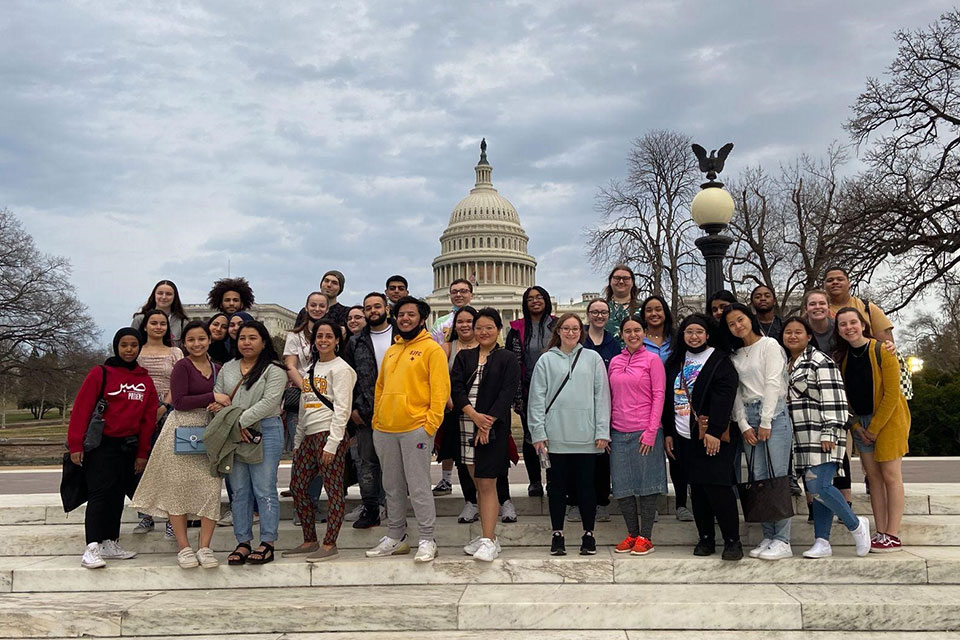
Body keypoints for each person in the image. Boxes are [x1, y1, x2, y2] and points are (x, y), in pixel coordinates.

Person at [130, 321, 225, 568]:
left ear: (209, 340)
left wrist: (218, 403)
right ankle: (184, 547)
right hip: (181, 428)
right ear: (184, 344)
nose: (197, 344)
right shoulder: (182, 366)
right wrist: (212, 397)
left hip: (208, 429)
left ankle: (205, 546)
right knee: (178, 489)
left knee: (210, 488)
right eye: (191, 340)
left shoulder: (217, 368)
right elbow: (180, 401)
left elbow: (226, 397)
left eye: (201, 339)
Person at [366, 296, 449, 563]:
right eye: (401, 314)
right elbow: (380, 387)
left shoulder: (432, 350)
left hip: (416, 428)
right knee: (391, 485)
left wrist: (430, 425)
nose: (405, 318)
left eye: (411, 314)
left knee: (419, 485)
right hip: (385, 429)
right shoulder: (392, 350)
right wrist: (377, 420)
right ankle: (396, 536)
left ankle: (427, 538)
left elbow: (440, 391)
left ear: (422, 318)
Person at [782, 316, 872, 558]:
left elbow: (836, 400)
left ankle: (856, 525)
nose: (792, 336)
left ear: (809, 336)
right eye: (788, 332)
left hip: (821, 435)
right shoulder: (787, 364)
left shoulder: (820, 361)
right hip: (799, 439)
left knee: (819, 486)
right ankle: (822, 541)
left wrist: (830, 432)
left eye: (798, 332)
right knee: (816, 489)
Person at [68, 328, 157, 569]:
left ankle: (110, 541)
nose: (129, 350)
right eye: (124, 345)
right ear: (116, 346)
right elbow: (81, 409)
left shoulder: (145, 380)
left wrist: (142, 453)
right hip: (101, 445)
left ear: (139, 348)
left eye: (134, 345)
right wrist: (75, 444)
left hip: (127, 447)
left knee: (117, 496)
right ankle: (92, 547)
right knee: (100, 495)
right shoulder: (101, 373)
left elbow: (148, 421)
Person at [528, 313, 611, 556]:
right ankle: (557, 534)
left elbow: (601, 396)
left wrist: (602, 430)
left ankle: (588, 534)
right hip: (555, 436)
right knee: (556, 488)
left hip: (587, 436)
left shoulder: (593, 358)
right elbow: (537, 400)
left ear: (581, 332)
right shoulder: (546, 360)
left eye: (575, 329)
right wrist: (538, 433)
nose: (571, 333)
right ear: (558, 331)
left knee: (587, 488)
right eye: (566, 328)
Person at [662, 315, 743, 561]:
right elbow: (668, 399)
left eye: (699, 331)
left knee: (718, 488)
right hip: (684, 436)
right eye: (689, 332)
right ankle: (705, 537)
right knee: (696, 490)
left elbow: (725, 395)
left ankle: (732, 541)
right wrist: (668, 432)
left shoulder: (719, 360)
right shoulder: (675, 361)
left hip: (711, 435)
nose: (694, 336)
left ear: (707, 334)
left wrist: (714, 432)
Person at [835, 307, 911, 552]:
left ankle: (893, 533)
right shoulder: (844, 358)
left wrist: (875, 428)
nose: (849, 327)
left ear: (863, 325)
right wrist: (857, 426)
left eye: (853, 322)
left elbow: (891, 394)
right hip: (862, 424)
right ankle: (881, 531)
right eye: (843, 324)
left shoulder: (882, 351)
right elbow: (846, 397)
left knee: (891, 476)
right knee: (874, 478)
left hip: (888, 421)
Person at [721, 303, 793, 560]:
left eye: (740, 319)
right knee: (759, 477)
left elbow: (773, 383)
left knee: (777, 475)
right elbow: (737, 394)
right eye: (731, 324)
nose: (737, 326)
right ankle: (769, 534)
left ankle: (783, 539)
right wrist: (743, 425)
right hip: (748, 416)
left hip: (772, 413)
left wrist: (766, 421)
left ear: (749, 318)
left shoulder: (770, 345)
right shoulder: (735, 355)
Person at [282, 319, 358, 562]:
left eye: (329, 336)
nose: (323, 340)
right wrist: (298, 442)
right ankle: (309, 539)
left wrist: (333, 443)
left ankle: (329, 543)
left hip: (329, 433)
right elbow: (305, 408)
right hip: (309, 436)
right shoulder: (311, 370)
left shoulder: (342, 369)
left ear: (337, 340)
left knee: (334, 490)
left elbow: (343, 409)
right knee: (298, 488)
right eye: (319, 336)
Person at [212, 321, 286, 566]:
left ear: (263, 341)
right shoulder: (228, 368)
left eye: (252, 338)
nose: (246, 342)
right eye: (242, 338)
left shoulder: (274, 370)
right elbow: (219, 396)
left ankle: (267, 542)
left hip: (265, 430)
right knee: (240, 490)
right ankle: (242, 541)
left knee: (264, 488)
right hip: (235, 433)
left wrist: (240, 421)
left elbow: (269, 402)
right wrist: (236, 425)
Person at [451, 308, 521, 561]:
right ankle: (487, 535)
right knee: (478, 483)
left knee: (488, 482)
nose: (483, 332)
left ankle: (489, 540)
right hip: (466, 423)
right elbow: (456, 389)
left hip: (492, 428)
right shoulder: (464, 357)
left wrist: (486, 422)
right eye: (479, 327)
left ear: (498, 329)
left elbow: (507, 392)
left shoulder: (507, 358)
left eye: (489, 327)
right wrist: (474, 416)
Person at [608, 317, 666, 556]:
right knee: (622, 485)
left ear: (644, 333)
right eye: (627, 331)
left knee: (647, 484)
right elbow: (608, 396)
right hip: (618, 431)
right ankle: (632, 533)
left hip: (645, 429)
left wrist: (651, 431)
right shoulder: (614, 361)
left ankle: (646, 536)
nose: (632, 334)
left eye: (637, 330)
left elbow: (659, 394)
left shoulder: (652, 360)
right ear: (621, 334)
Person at [343, 292, 394, 529]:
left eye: (377, 306)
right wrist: (353, 408)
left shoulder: (401, 337)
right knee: (367, 463)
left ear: (386, 308)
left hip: (398, 411)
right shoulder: (355, 342)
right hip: (366, 412)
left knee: (395, 464)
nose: (373, 311)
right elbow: (347, 377)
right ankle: (371, 508)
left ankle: (393, 509)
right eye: (368, 308)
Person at [131, 309, 184, 537]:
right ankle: (145, 515)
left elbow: (180, 380)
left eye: (162, 323)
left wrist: (163, 406)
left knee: (170, 466)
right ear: (145, 326)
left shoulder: (175, 352)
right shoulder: (137, 351)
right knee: (141, 465)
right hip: (139, 412)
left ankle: (173, 518)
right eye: (154, 323)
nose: (158, 327)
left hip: (168, 410)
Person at [505, 285, 557, 497]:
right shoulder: (516, 329)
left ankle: (554, 480)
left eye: (539, 297)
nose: (535, 301)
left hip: (556, 391)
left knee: (555, 437)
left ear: (546, 300)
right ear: (525, 303)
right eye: (530, 298)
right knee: (530, 436)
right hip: (528, 391)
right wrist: (515, 395)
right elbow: (511, 362)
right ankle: (535, 481)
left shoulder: (557, 325)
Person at [431, 279, 475, 495]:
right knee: (449, 440)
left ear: (471, 294)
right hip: (451, 396)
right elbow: (436, 360)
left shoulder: (483, 316)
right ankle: (446, 479)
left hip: (476, 397)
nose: (459, 295)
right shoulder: (441, 323)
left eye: (463, 291)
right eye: (455, 291)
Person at [578, 298, 619, 523]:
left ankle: (602, 500)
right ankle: (576, 500)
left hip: (605, 401)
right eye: (595, 312)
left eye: (603, 312)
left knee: (603, 454)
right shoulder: (579, 338)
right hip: (580, 404)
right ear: (588, 314)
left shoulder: (613, 342)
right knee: (580, 455)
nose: (599, 316)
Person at [284, 292, 329, 451]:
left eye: (321, 306)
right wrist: (308, 389)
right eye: (313, 305)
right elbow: (290, 366)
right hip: (301, 395)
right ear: (306, 307)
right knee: (302, 450)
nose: (317, 309)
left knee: (324, 450)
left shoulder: (332, 335)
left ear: (327, 309)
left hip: (326, 397)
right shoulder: (295, 336)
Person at [823, 267, 895, 342]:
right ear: (824, 285)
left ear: (849, 283)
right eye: (830, 280)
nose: (835, 282)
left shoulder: (868, 307)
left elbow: (886, 345)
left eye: (840, 279)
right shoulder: (818, 311)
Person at [132, 280, 190, 345]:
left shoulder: (182, 323)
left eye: (168, 294)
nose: (164, 297)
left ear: (174, 297)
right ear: (154, 295)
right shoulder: (140, 319)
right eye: (160, 293)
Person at [603, 264, 640, 345]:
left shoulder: (643, 308)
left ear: (632, 282)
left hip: (637, 356)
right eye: (617, 278)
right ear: (610, 281)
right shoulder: (601, 309)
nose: (621, 281)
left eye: (626, 278)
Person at [638, 295, 673, 363]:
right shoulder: (638, 340)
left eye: (658, 310)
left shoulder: (675, 339)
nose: (653, 313)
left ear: (665, 312)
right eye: (649, 310)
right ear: (644, 315)